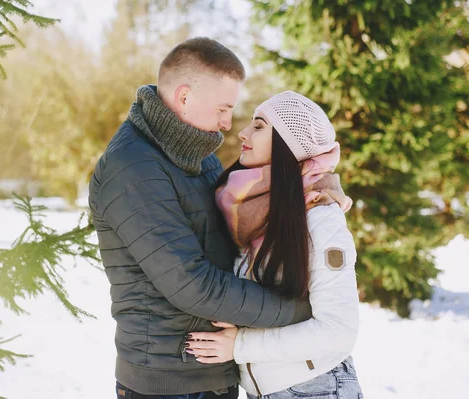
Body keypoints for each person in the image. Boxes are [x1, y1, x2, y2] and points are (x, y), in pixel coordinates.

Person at [88, 39, 313, 399]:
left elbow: (255, 205)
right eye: (223, 108)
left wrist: (318, 186)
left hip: (212, 372)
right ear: (185, 97)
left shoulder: (195, 153)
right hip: (168, 381)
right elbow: (193, 284)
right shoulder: (133, 168)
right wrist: (300, 308)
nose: (228, 122)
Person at [186, 91, 363, 399]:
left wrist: (240, 345)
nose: (243, 132)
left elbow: (337, 332)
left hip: (315, 389)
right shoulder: (254, 212)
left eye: (259, 125)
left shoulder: (320, 219)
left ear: (287, 143)